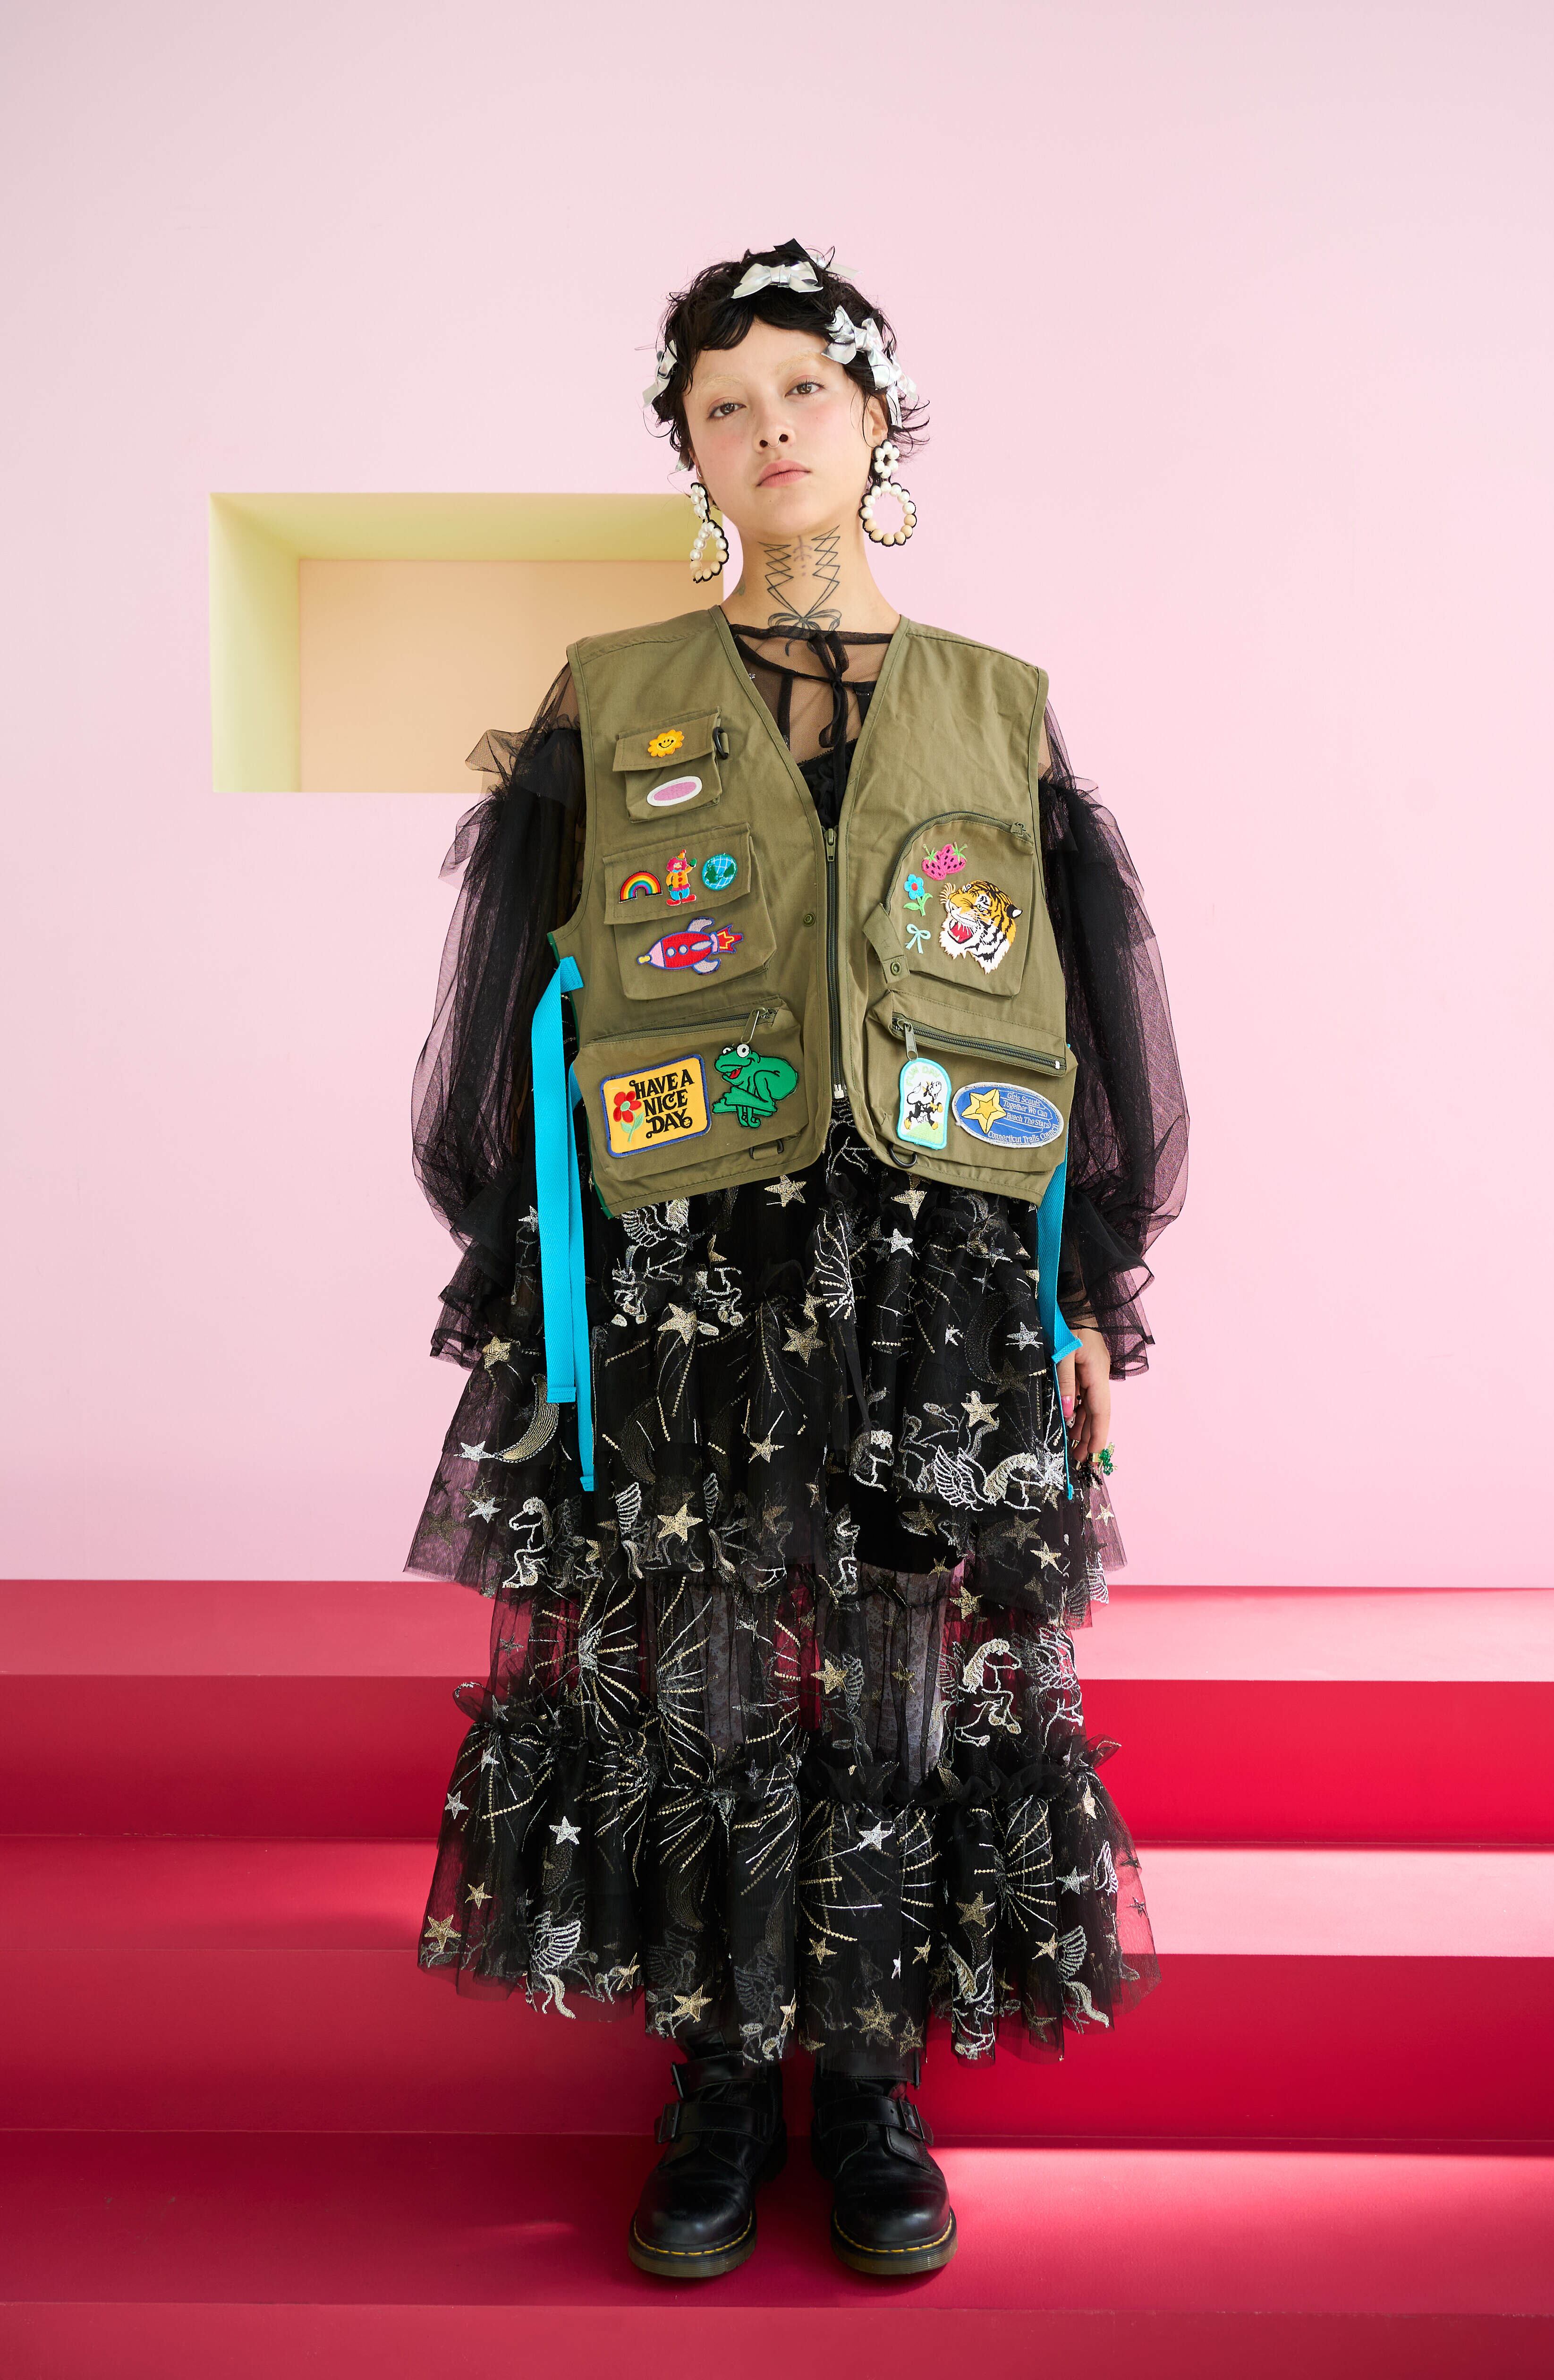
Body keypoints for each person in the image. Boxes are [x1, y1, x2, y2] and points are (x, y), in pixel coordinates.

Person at [408, 239, 1188, 2281]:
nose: (770, 431)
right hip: (691, 1255)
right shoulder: (613, 699)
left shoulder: (999, 709)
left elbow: (1074, 1023)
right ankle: (717, 2087)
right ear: (688, 451)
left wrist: (1081, 1297)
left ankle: (871, 2088)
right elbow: (521, 1023)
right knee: (703, 1668)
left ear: (876, 421)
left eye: (804, 392)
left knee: (905, 1665)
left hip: (934, 1268)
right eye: (724, 405)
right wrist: (537, 1292)